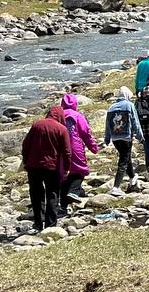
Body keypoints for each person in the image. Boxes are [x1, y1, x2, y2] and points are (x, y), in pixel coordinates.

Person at [21, 104, 69, 232]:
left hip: (33, 167)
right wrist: (66, 168)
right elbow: (67, 151)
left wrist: (25, 161)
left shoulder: (37, 125)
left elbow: (25, 145)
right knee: (52, 194)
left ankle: (38, 222)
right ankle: (50, 224)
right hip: (51, 167)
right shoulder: (62, 129)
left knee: (36, 194)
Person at [58, 92, 98, 212]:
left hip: (60, 148)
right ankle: (74, 192)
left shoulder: (59, 116)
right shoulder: (77, 116)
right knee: (80, 170)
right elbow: (86, 134)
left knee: (63, 174)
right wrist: (93, 147)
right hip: (75, 147)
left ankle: (63, 205)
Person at [103, 87, 141, 191]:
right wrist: (140, 137)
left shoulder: (111, 108)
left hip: (115, 139)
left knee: (126, 157)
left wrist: (107, 138)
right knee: (123, 161)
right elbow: (135, 122)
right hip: (126, 138)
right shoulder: (129, 105)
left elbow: (107, 125)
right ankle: (116, 186)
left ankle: (132, 177)